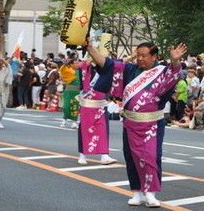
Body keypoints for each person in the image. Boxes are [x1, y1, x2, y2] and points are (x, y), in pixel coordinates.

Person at [85, 37, 187, 207]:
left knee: (152, 157)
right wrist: (90, 48)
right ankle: (137, 192)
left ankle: (151, 193)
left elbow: (173, 74)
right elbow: (108, 64)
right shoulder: (130, 69)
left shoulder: (162, 71)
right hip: (131, 121)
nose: (140, 59)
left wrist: (175, 60)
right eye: (138, 55)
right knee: (132, 157)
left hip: (152, 123)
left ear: (155, 56)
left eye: (144, 55)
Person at [77, 58, 118, 165]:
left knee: (102, 130)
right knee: (84, 130)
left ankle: (104, 155)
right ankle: (82, 155)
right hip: (87, 105)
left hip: (100, 106)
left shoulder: (106, 72)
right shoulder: (89, 70)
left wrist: (131, 57)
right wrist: (93, 53)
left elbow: (119, 62)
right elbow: (84, 65)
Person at [0, 57, 13, 129]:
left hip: (4, 90)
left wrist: (4, 60)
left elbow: (8, 67)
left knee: (3, 107)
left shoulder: (5, 70)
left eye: (0, 64)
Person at [59, 59, 80, 129]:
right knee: (66, 106)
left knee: (75, 107)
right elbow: (62, 69)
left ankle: (74, 122)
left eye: (78, 63)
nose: (78, 65)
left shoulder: (80, 71)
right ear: (71, 65)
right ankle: (64, 120)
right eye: (76, 63)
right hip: (68, 91)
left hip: (77, 92)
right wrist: (65, 64)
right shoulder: (67, 70)